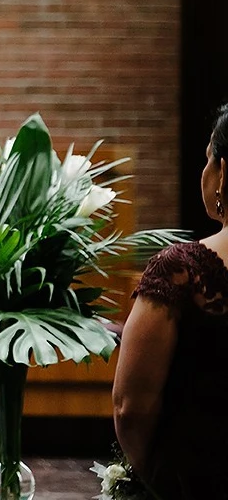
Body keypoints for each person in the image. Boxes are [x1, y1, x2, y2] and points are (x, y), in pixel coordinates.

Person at [113, 103, 228, 499]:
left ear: (223, 173)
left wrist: (160, 481)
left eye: (207, 159)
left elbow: (130, 409)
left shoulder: (182, 270)